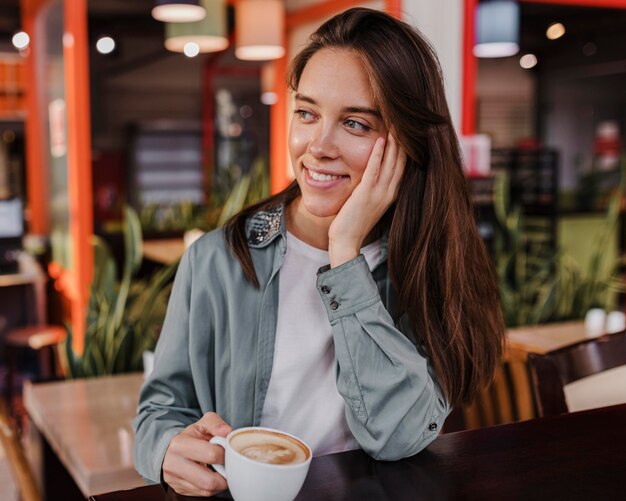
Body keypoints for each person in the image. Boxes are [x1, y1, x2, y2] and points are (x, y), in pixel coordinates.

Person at [133, 7, 505, 497]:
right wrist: (166, 450)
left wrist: (345, 255)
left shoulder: (427, 261)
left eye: (354, 123)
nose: (318, 146)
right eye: (307, 113)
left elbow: (399, 436)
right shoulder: (218, 259)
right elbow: (157, 412)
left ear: (406, 142)